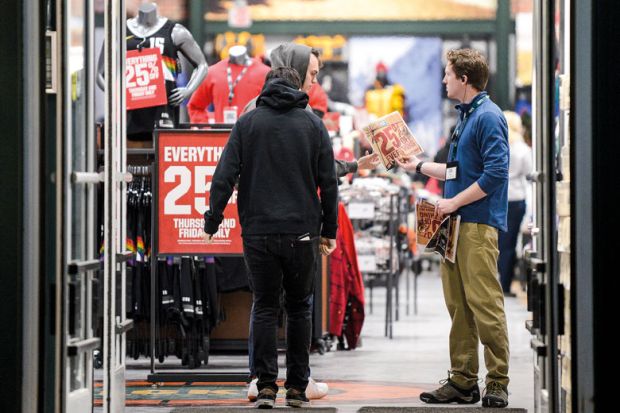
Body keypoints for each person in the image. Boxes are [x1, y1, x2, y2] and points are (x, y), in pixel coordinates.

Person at [203, 67, 339, 409]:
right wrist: (329, 230)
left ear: (265, 88)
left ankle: (264, 387)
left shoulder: (247, 124)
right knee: (298, 308)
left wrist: (213, 218)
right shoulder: (313, 125)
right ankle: (296, 388)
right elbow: (329, 182)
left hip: (258, 231)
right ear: (296, 87)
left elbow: (224, 175)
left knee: (264, 306)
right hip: (302, 233)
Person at [397, 48, 510, 408]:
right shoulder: (466, 118)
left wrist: (452, 203)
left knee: (485, 305)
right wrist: (415, 166)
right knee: (459, 306)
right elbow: (457, 171)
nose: (443, 80)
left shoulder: (489, 117)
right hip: (456, 224)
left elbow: (496, 173)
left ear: (464, 79)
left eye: (447, 75)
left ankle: (497, 382)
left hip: (476, 224)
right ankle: (463, 380)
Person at [97, 2, 208, 141]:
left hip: (163, 110)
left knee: (161, 154)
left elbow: (202, 65)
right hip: (129, 111)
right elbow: (99, 74)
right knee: (132, 157)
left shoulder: (175, 31)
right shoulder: (118, 32)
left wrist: (187, 90)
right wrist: (115, 93)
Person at [498, 110, 532, 297]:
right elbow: (530, 173)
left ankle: (497, 281)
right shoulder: (522, 149)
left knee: (498, 242)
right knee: (510, 244)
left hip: (498, 197)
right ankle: (505, 284)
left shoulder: (497, 143)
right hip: (516, 199)